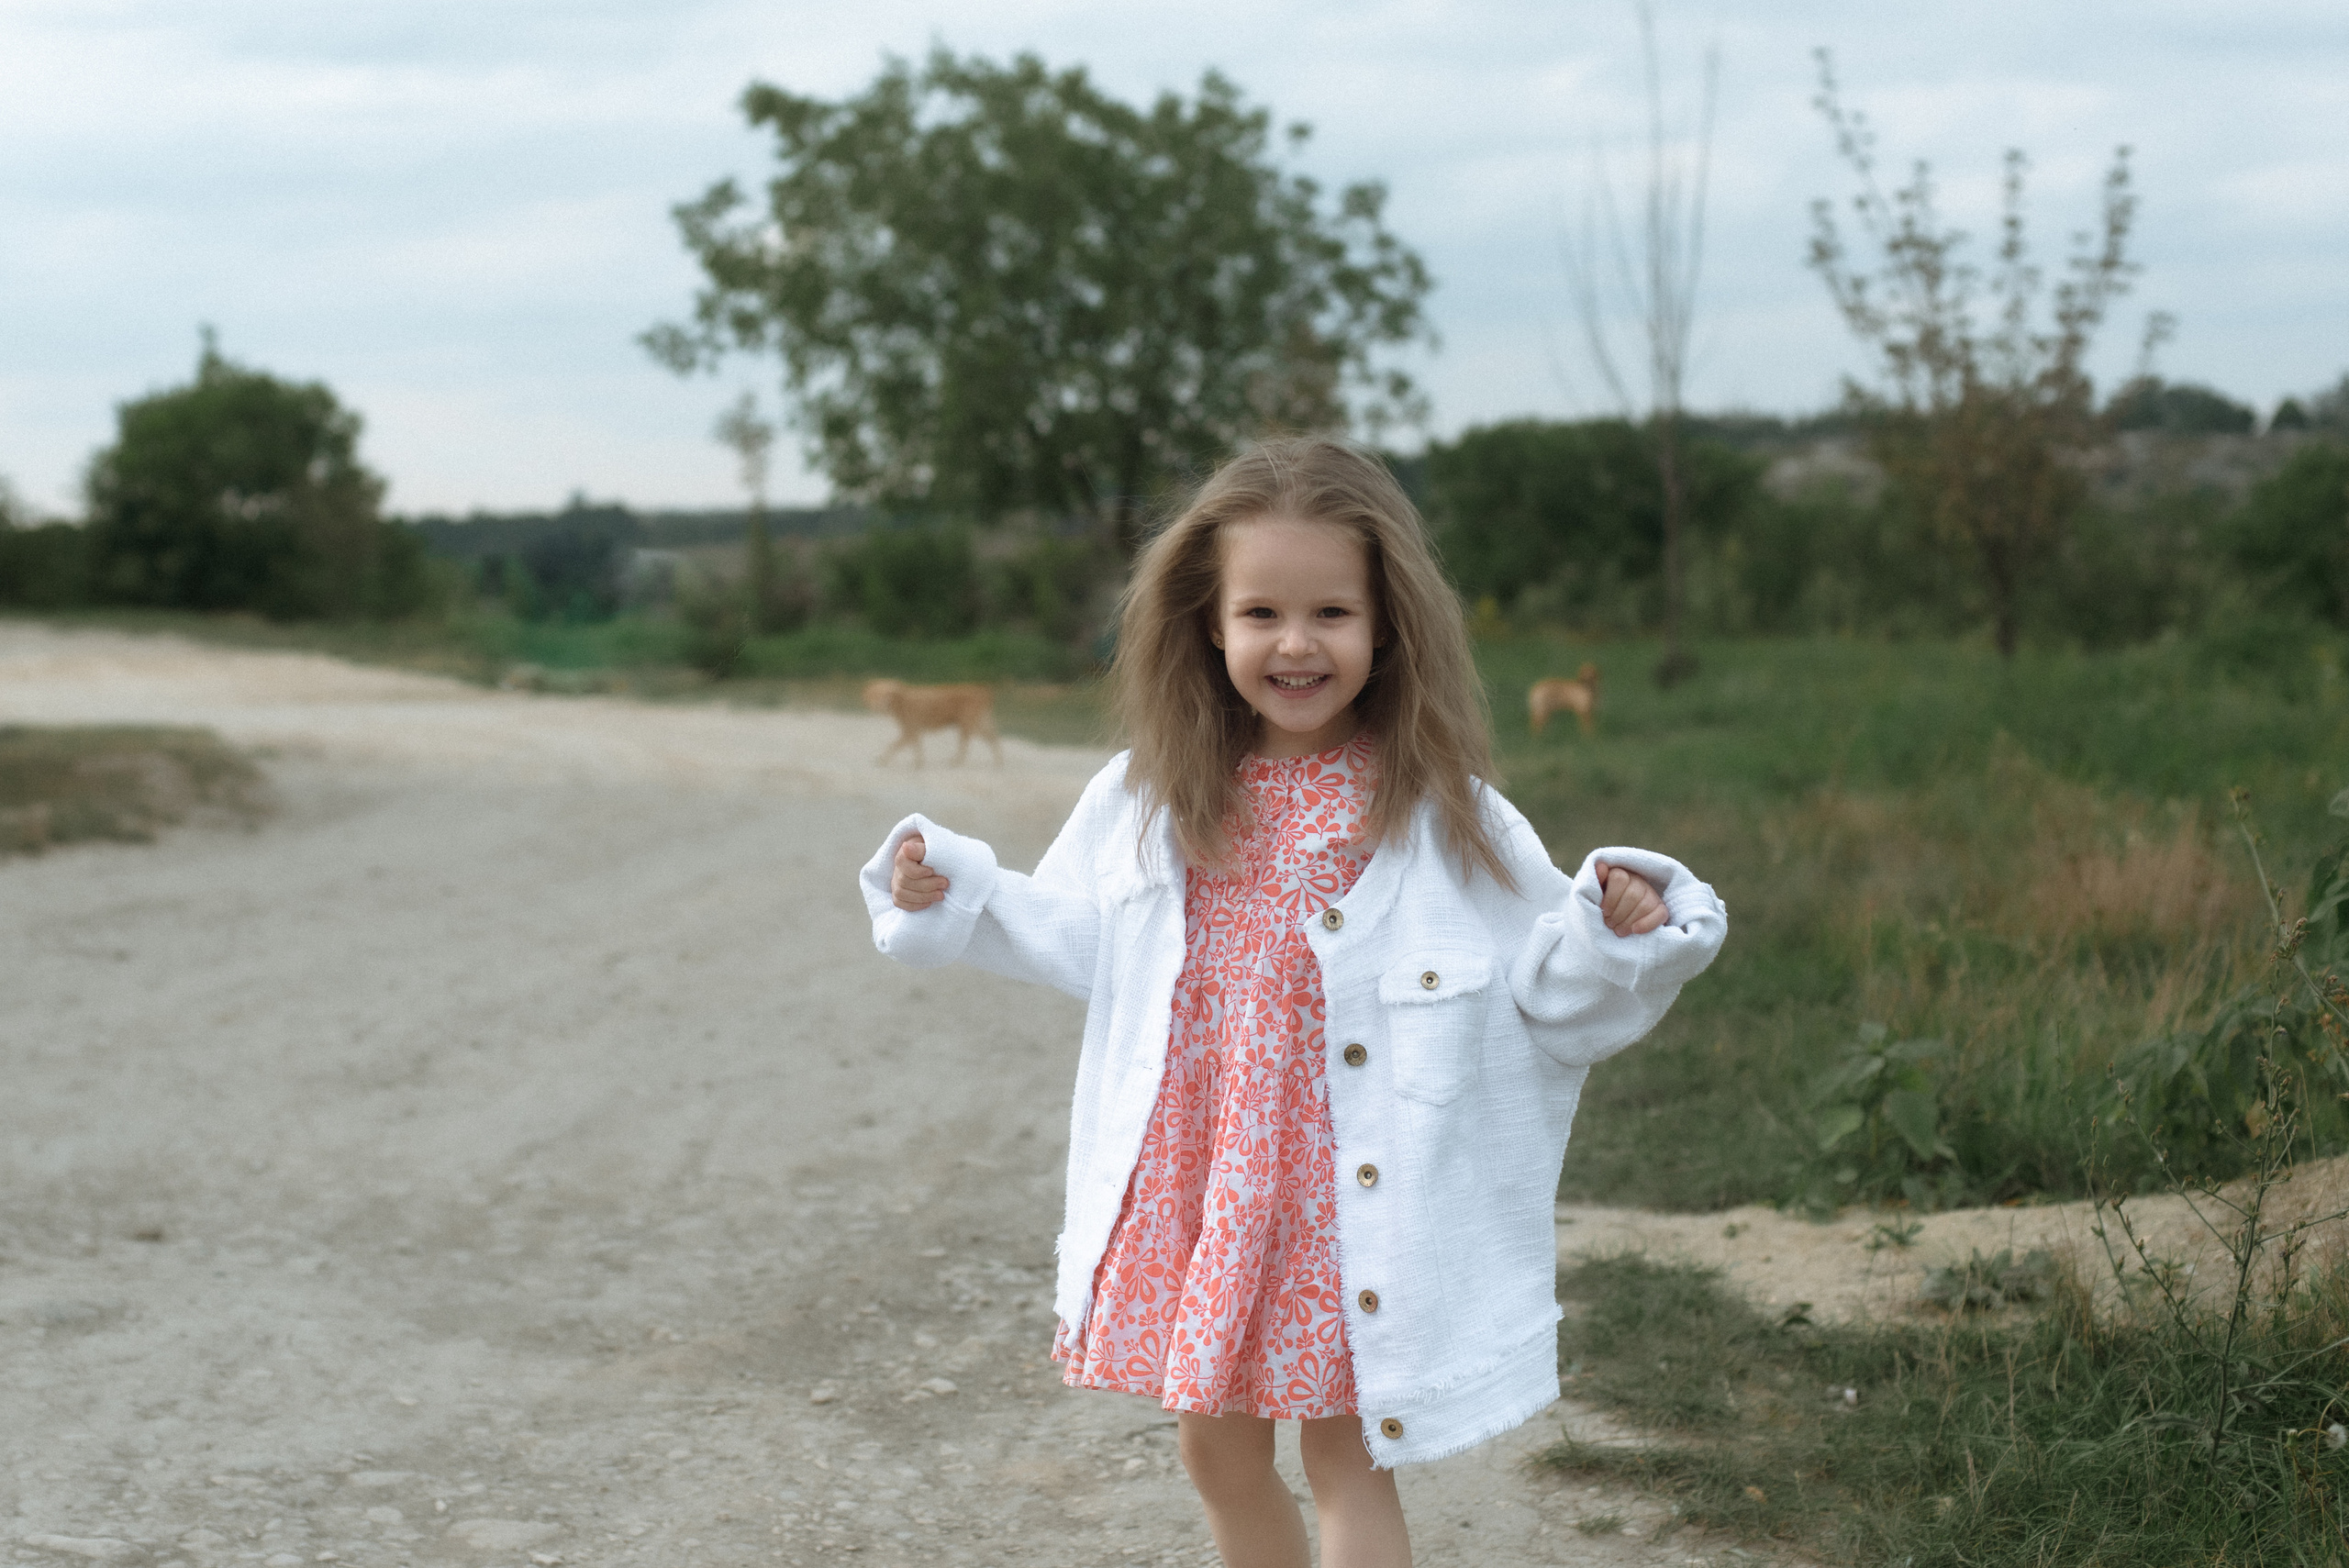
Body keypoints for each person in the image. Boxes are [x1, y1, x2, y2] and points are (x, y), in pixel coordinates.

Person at [858, 436, 1726, 1568]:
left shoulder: (1437, 811)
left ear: (1386, 627)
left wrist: (1612, 928)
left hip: (1342, 1195)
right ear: (1209, 624)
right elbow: (1082, 938)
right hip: (1207, 1181)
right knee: (1214, 1455)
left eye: (1331, 611)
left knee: (1345, 1457)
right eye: (1261, 611)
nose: (1297, 642)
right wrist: (953, 886)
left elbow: (1542, 992)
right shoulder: (1150, 795)